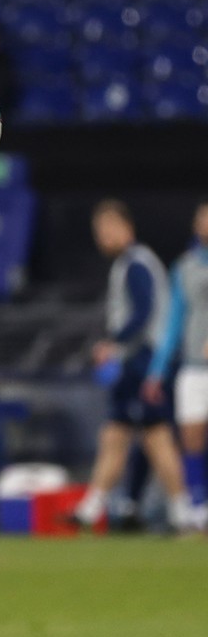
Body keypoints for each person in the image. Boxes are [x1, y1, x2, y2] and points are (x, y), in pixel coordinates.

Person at [71, 200, 196, 531]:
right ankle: (90, 507)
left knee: (156, 437)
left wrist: (113, 343)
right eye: (100, 231)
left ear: (127, 227)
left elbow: (143, 313)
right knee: (115, 435)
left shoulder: (137, 263)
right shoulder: (129, 263)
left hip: (144, 362)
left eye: (109, 229)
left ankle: (182, 510)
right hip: (136, 362)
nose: (104, 237)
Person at [142, 201, 208, 532]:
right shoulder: (185, 268)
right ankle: (198, 507)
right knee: (192, 436)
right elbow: (173, 323)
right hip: (195, 367)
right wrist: (157, 370)